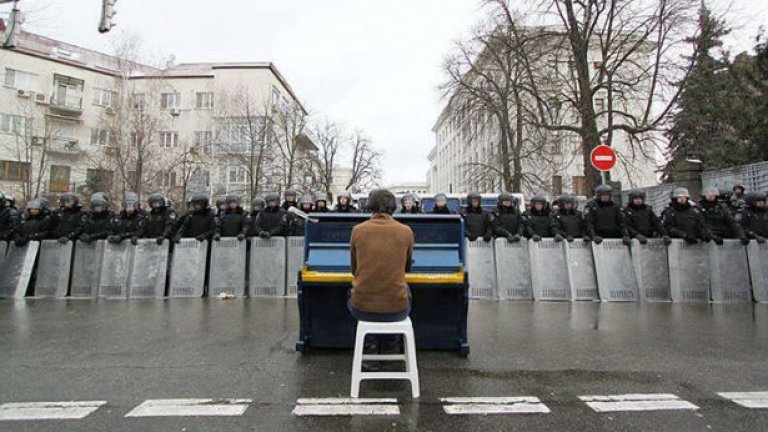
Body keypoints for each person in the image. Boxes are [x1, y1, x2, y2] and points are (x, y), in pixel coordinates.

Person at [348, 189, 414, 355]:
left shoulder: (358, 230)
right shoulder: (406, 231)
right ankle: (392, 345)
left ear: (370, 207)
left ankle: (370, 346)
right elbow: (407, 269)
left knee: (354, 293)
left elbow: (354, 270)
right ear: (393, 207)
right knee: (404, 292)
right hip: (397, 309)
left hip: (361, 308)